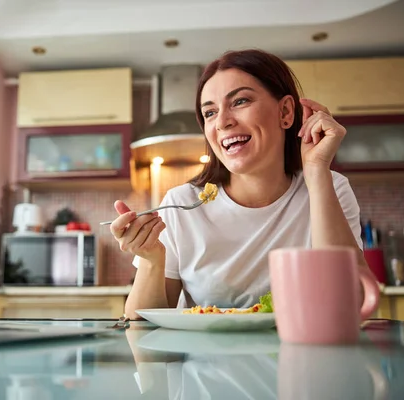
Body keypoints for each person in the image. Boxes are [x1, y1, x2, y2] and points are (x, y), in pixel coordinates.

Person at [109, 49, 374, 319]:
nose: (223, 122)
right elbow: (139, 322)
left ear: (285, 112)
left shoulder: (330, 187)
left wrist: (317, 171)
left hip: (302, 358)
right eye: (210, 112)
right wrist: (153, 259)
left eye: (240, 101)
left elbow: (353, 304)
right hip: (204, 361)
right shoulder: (182, 204)